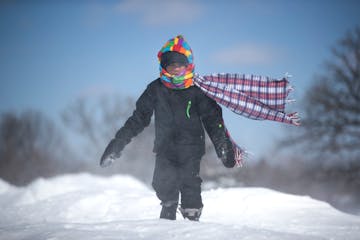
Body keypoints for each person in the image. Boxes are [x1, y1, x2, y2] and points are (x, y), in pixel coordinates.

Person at [100, 35, 236, 221]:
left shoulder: (198, 90)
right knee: (163, 181)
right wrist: (117, 144)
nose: (175, 69)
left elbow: (213, 120)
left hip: (191, 147)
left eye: (180, 65)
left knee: (189, 182)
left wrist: (223, 145)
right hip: (165, 147)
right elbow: (138, 119)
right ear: (164, 66)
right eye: (171, 65)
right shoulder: (155, 89)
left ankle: (192, 215)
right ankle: (168, 210)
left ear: (188, 65)